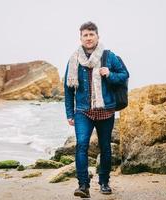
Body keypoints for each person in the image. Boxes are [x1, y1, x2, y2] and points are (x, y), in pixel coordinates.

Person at [64, 21, 129, 198]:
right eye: (85, 35)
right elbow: (68, 89)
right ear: (81, 38)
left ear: (97, 37)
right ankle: (83, 185)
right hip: (83, 111)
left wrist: (109, 74)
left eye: (91, 34)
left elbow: (124, 75)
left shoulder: (109, 57)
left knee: (105, 148)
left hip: (106, 110)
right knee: (81, 146)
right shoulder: (74, 59)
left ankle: (104, 182)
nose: (88, 38)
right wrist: (70, 113)